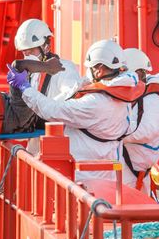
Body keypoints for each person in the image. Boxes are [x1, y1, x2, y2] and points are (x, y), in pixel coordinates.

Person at [8, 39, 145, 181]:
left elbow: (53, 111)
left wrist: (25, 88)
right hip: (107, 176)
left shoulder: (95, 103)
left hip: (83, 179)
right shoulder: (122, 95)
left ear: (99, 69)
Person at [12, 19, 83, 155]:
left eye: (31, 51)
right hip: (36, 140)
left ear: (46, 47)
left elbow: (70, 99)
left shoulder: (65, 69)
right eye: (24, 52)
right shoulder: (32, 73)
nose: (27, 56)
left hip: (57, 141)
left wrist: (44, 109)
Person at [121, 48, 159, 193]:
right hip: (122, 167)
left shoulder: (151, 100)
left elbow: (146, 131)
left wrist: (112, 134)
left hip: (134, 172)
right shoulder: (122, 97)